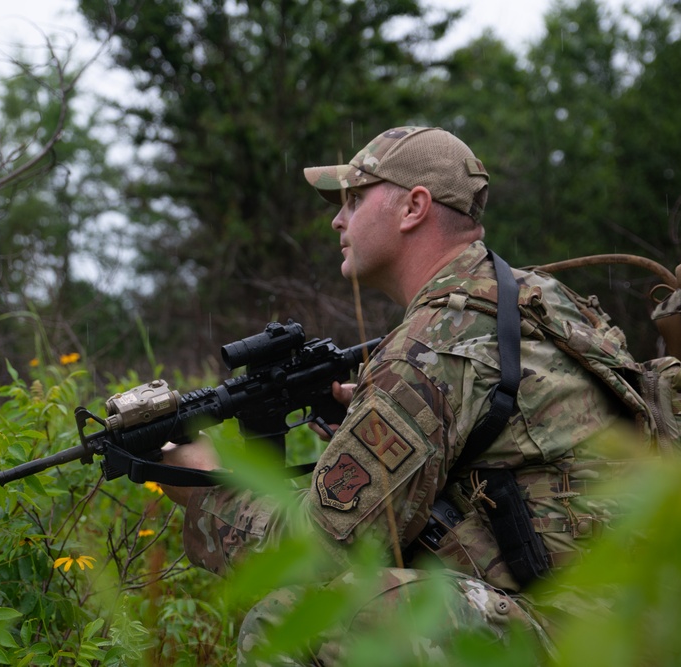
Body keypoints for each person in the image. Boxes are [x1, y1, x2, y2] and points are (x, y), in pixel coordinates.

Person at [159, 126, 633, 664]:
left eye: (355, 200)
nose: (338, 220)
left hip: (574, 636)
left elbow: (319, 552)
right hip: (646, 611)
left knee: (294, 616)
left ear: (414, 207)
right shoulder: (533, 297)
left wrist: (204, 487)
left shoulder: (430, 352)